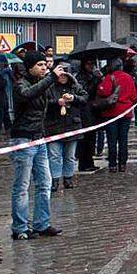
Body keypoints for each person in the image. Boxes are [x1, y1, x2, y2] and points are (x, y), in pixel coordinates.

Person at [10, 51, 65, 239]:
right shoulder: (20, 84)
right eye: (40, 65)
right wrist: (50, 79)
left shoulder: (43, 83)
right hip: (23, 139)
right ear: (30, 67)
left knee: (44, 182)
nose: (44, 68)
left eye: (45, 65)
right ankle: (20, 228)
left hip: (40, 138)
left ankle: (42, 223)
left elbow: (47, 99)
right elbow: (27, 95)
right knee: (22, 185)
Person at [45, 61, 86, 191]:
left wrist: (73, 98)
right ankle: (55, 180)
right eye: (60, 75)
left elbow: (85, 99)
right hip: (54, 126)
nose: (63, 77)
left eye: (65, 75)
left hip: (72, 126)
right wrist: (56, 102)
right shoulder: (50, 87)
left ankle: (68, 178)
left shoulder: (75, 86)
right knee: (54, 155)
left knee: (70, 155)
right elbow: (44, 103)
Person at [95, 58, 137, 172]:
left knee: (112, 139)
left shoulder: (110, 77)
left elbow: (103, 92)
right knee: (123, 139)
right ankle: (122, 163)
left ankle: (113, 164)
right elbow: (134, 96)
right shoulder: (128, 77)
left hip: (112, 113)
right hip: (126, 112)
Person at [75, 58, 102, 173]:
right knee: (85, 139)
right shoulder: (81, 78)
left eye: (92, 64)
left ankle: (89, 162)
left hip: (92, 110)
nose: (91, 66)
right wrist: (95, 80)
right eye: (89, 64)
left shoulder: (92, 76)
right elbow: (86, 93)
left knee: (91, 138)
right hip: (84, 111)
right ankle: (84, 163)